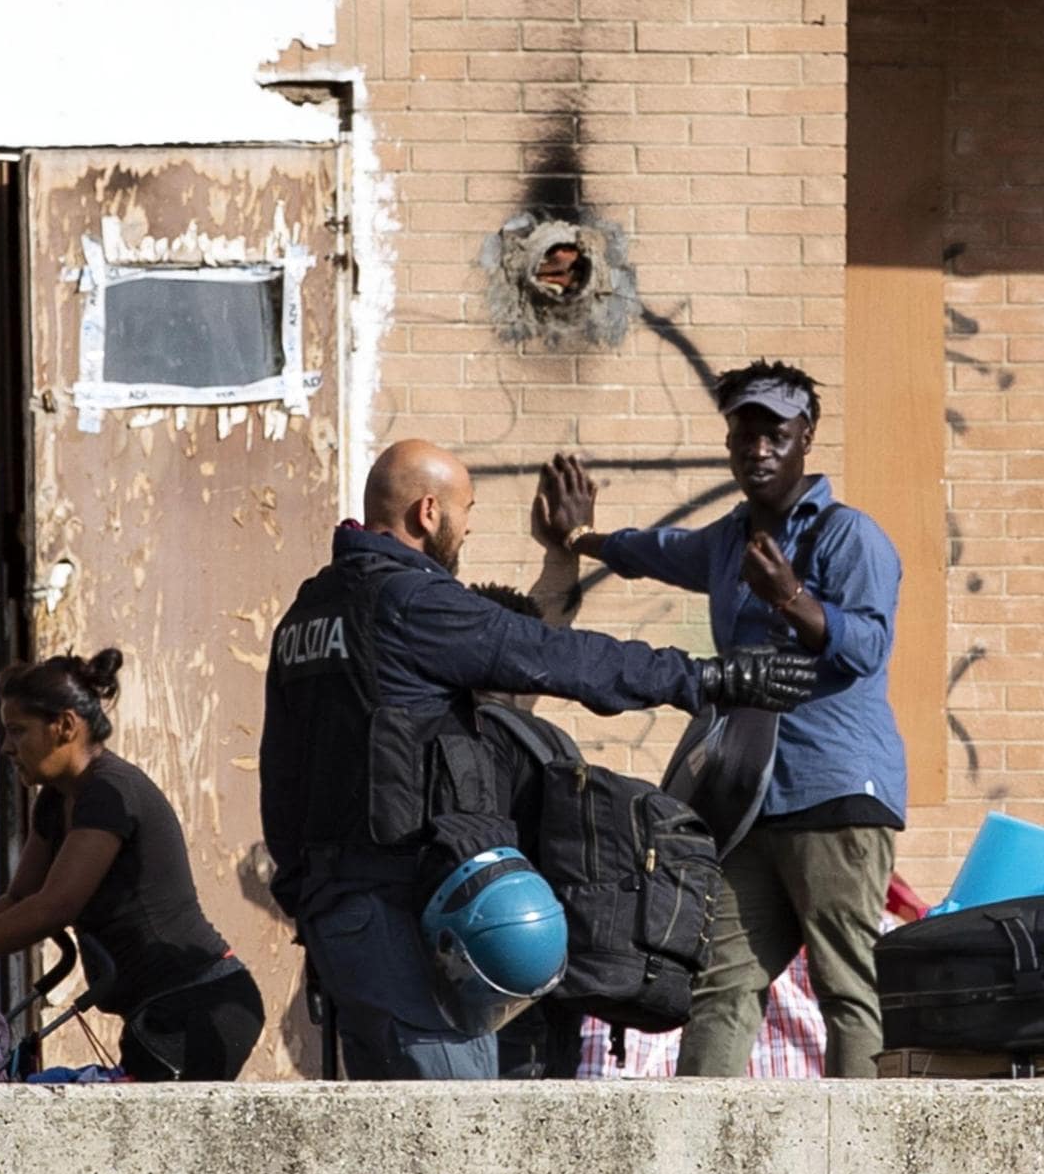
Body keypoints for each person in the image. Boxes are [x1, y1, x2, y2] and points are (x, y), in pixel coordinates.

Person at [260, 436, 812, 1082]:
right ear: (428, 512)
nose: (467, 529)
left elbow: (281, 777)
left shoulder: (309, 612)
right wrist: (708, 679)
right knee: (456, 1136)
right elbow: (552, 656)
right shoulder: (408, 600)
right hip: (397, 915)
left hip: (338, 919)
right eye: (466, 511)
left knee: (392, 1137)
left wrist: (305, 900)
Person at [531, 361, 906, 1079]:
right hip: (745, 803)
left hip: (835, 794)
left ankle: (867, 1166)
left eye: (775, 434)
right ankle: (700, 1167)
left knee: (846, 986)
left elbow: (868, 647)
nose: (757, 449)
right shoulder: (728, 541)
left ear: (806, 438)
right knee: (720, 983)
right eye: (744, 435)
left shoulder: (847, 536)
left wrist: (794, 597)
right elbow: (656, 551)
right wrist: (581, 538)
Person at [0, 650, 265, 1082]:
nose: (6, 747)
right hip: (159, 1012)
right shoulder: (57, 799)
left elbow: (55, 907)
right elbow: (21, 897)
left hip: (196, 1004)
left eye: (17, 731)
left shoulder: (110, 793)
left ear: (65, 726)